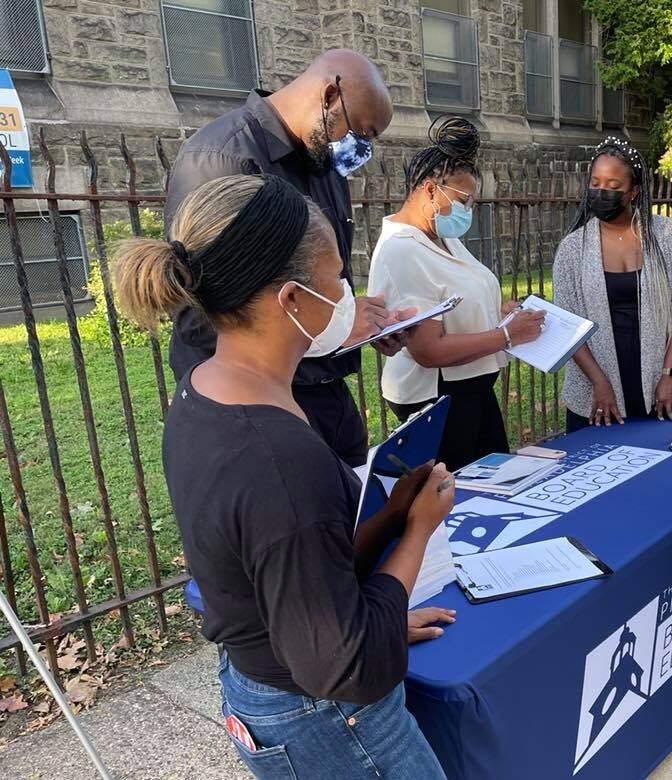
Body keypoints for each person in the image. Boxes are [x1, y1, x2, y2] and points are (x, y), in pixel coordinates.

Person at [114, 174, 453, 779]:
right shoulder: (277, 456)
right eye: (337, 279)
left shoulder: (205, 390)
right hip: (324, 715)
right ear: (293, 301)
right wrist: (418, 531)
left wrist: (371, 604)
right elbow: (345, 669)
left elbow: (289, 574)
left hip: (270, 677)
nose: (348, 293)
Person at [164, 49, 397, 468]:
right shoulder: (223, 160)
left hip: (323, 391)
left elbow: (323, 282)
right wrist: (336, 328)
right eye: (361, 133)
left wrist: (361, 323)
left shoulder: (323, 163)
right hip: (259, 411)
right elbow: (201, 320)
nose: (361, 149)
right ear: (329, 96)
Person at [367, 117, 544, 470]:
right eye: (463, 200)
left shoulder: (442, 237)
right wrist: (507, 334)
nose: (468, 211)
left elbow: (461, 300)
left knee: (494, 483)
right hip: (438, 400)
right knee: (461, 496)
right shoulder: (402, 249)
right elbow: (429, 350)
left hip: (473, 390)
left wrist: (500, 311)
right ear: (431, 190)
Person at [552, 137, 672, 431]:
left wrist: (669, 374)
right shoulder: (572, 249)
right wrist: (599, 383)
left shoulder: (666, 236)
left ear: (634, 192)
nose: (602, 191)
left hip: (657, 384)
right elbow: (567, 326)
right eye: (595, 183)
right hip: (594, 390)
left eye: (614, 186)